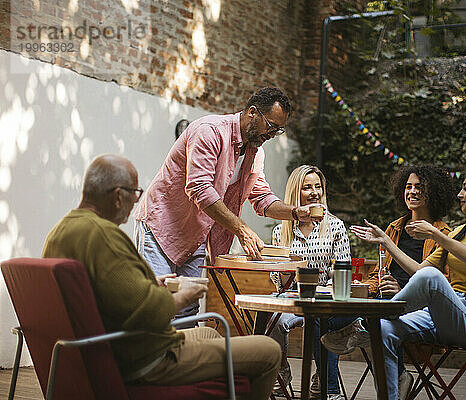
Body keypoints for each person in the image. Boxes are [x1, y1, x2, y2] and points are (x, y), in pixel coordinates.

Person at [42, 154, 281, 399]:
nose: (137, 201)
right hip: (147, 358)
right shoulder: (103, 235)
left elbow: (101, 292)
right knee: (269, 350)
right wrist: (185, 295)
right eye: (135, 193)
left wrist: (151, 284)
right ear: (117, 196)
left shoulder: (61, 232)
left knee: (209, 333)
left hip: (106, 349)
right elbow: (148, 314)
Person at [133, 87, 321, 322]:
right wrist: (241, 230)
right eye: (271, 126)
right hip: (161, 230)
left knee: (187, 312)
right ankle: (152, 359)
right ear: (252, 113)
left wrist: (296, 213)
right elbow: (200, 189)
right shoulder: (209, 131)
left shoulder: (255, 153)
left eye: (278, 129)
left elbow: (262, 199)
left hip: (195, 238)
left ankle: (184, 358)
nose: (273, 134)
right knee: (157, 306)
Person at [349, 163, 466, 399]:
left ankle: (371, 319)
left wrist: (435, 234)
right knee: (384, 329)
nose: (460, 194)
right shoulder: (459, 232)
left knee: (431, 277)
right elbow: (419, 270)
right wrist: (386, 242)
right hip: (439, 314)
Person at [321, 165, 454, 356]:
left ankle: (366, 331)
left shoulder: (442, 235)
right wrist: (364, 287)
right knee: (323, 320)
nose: (412, 191)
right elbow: (378, 274)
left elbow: (441, 285)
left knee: (379, 324)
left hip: (412, 309)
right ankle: (330, 384)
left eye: (420, 187)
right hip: (381, 302)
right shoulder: (395, 228)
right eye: (408, 186)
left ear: (434, 193)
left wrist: (402, 292)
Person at [269, 165, 352, 400]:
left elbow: (342, 270)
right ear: (296, 193)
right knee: (272, 317)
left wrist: (326, 287)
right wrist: (286, 269)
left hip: (324, 299)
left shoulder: (334, 226)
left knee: (321, 318)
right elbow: (279, 281)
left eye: (318, 186)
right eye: (307, 187)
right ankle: (280, 374)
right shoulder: (281, 231)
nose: (315, 192)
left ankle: (324, 381)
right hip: (294, 298)